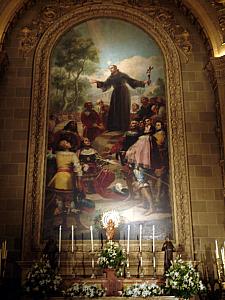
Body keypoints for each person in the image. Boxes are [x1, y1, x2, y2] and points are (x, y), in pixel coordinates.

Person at [91, 65, 148, 132]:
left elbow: (131, 81)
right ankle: (114, 127)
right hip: (115, 94)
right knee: (114, 109)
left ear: (115, 68)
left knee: (123, 109)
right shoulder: (110, 77)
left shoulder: (122, 75)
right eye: (110, 68)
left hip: (124, 93)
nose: (111, 69)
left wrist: (142, 83)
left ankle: (123, 127)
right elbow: (105, 84)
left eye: (112, 68)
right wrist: (97, 82)